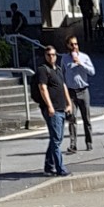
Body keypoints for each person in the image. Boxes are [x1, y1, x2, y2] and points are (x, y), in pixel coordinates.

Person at [31, 43, 70, 176]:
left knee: (56, 138)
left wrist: (69, 103)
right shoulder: (43, 70)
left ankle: (49, 165)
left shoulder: (58, 69)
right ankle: (60, 168)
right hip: (52, 109)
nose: (51, 57)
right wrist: (49, 106)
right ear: (45, 56)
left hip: (61, 108)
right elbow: (43, 88)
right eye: (49, 55)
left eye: (53, 55)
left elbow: (63, 86)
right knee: (56, 139)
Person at [62, 35, 96, 150]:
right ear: (67, 45)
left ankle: (89, 142)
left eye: (76, 44)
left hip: (83, 91)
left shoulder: (84, 57)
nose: (74, 46)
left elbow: (92, 72)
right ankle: (73, 144)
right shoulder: (64, 59)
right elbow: (62, 74)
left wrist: (81, 63)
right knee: (72, 118)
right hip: (71, 92)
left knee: (86, 118)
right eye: (71, 44)